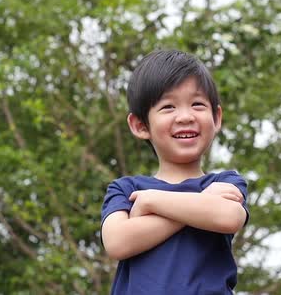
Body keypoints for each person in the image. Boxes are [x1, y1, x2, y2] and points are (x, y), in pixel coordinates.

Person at [101, 49, 249, 294]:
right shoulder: (126, 189)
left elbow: (229, 217)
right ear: (140, 125)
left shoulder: (226, 181)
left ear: (216, 117)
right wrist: (202, 204)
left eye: (197, 104)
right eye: (168, 106)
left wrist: (153, 202)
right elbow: (118, 242)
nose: (185, 116)